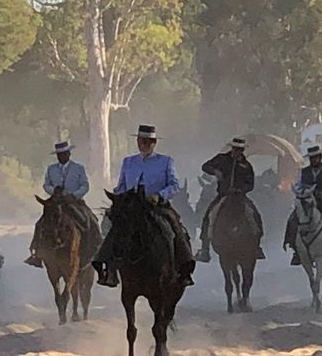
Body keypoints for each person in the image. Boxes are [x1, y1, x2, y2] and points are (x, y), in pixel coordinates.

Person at [95, 123, 194, 288]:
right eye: (141, 141)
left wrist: (159, 195)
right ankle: (107, 267)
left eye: (148, 142)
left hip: (156, 206)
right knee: (114, 228)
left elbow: (174, 185)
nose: (144, 144)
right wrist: (117, 197)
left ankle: (184, 268)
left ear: (154, 143)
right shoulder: (128, 162)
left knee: (174, 228)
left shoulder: (166, 161)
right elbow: (122, 185)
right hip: (131, 206)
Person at [195, 136, 261, 262]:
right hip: (223, 195)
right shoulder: (222, 159)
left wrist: (241, 189)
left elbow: (251, 184)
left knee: (254, 215)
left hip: (240, 197)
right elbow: (205, 166)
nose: (237, 152)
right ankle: (205, 249)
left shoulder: (246, 165)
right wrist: (215, 171)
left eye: (240, 150)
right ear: (232, 148)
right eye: (235, 149)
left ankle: (256, 245)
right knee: (209, 215)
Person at [26, 142, 91, 267]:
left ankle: (91, 248)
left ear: (69, 154)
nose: (61, 156)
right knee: (40, 224)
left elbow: (85, 185)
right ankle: (36, 254)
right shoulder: (51, 169)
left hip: (74, 202)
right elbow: (46, 184)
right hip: (55, 202)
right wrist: (53, 190)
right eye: (59, 155)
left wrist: (74, 195)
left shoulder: (78, 168)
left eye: (63, 154)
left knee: (87, 220)